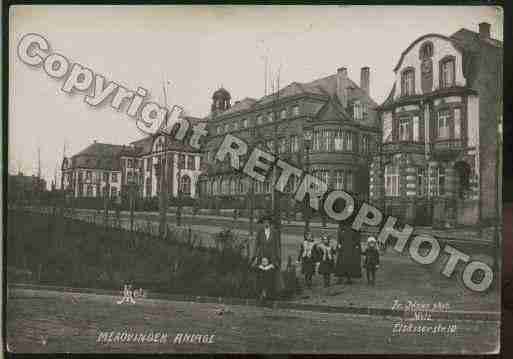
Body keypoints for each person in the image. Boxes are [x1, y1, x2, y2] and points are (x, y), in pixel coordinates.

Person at [253, 214, 280, 298]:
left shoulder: (274, 232)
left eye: (268, 222)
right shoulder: (259, 231)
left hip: (271, 255)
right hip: (261, 254)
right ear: (262, 223)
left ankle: (269, 292)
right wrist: (254, 256)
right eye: (264, 222)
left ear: (270, 223)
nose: (266, 223)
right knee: (261, 273)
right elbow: (256, 244)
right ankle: (262, 291)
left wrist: (278, 257)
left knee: (270, 274)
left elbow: (277, 245)